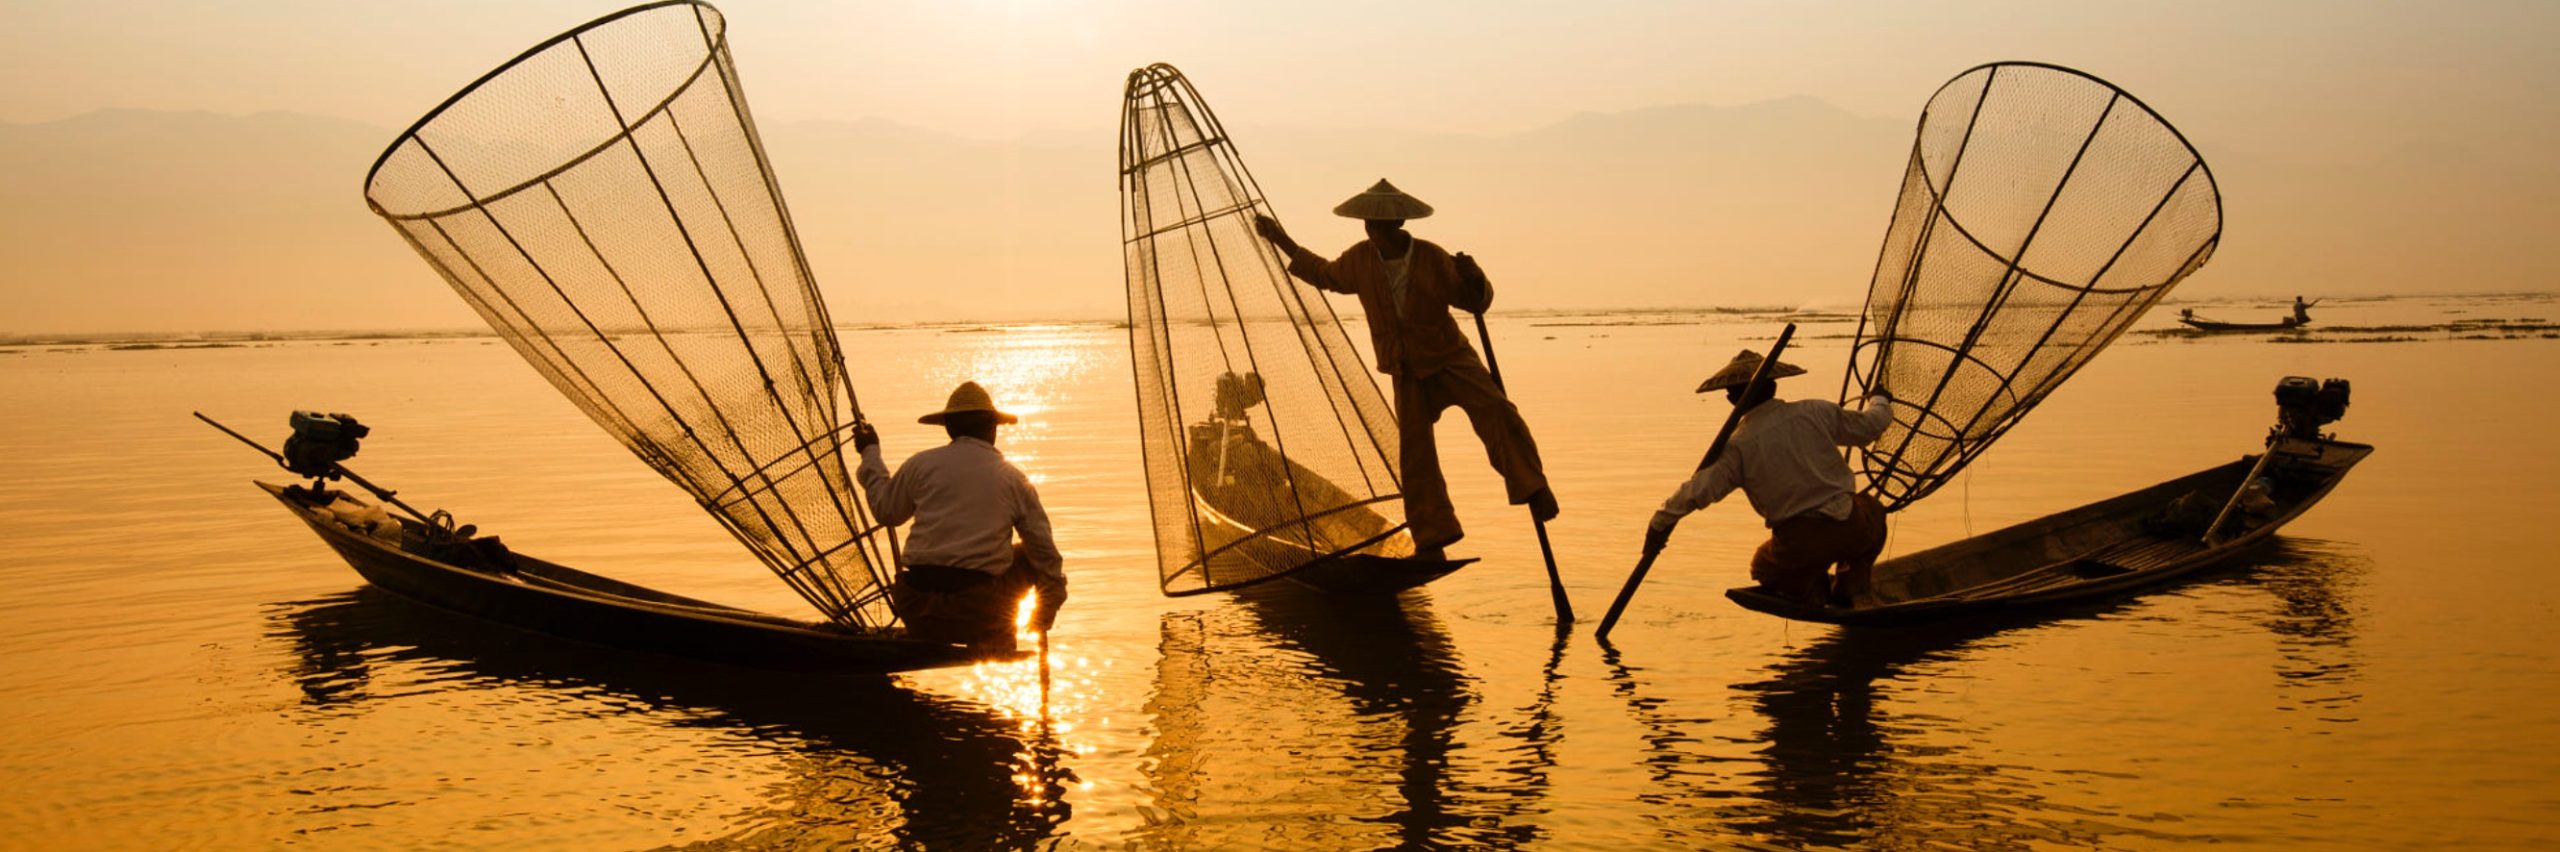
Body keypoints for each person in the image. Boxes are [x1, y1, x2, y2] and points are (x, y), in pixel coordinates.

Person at [1253, 179, 1556, 560]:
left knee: (1497, 411)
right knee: (1415, 455)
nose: (1372, 231)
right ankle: (1433, 537)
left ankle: (1533, 487)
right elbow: (1326, 275)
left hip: (1449, 356)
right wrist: (1280, 238)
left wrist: (1474, 277)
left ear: (1396, 225)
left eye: (1378, 225)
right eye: (1369, 225)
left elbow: (1474, 302)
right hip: (1405, 367)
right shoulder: (1360, 259)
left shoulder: (1431, 258)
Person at [1645, 350, 1895, 608]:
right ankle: (1851, 585)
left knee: (1761, 567)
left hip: (1799, 544)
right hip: (1852, 527)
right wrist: (1879, 400)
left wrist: (1659, 523)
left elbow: (1698, 490)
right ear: (1773, 387)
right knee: (1873, 511)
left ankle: (1815, 588)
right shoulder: (1814, 411)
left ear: (1732, 399)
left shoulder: (1737, 446)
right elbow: (1870, 426)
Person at [853, 381, 1064, 651]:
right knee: (1033, 556)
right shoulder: (1012, 478)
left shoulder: (920, 465)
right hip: (978, 615)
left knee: (1029, 556)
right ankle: (1000, 634)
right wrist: (1046, 609)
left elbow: (886, 511)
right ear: (992, 429)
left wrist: (870, 453)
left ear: (950, 428)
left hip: (917, 610)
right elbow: (1046, 556)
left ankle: (986, 627)